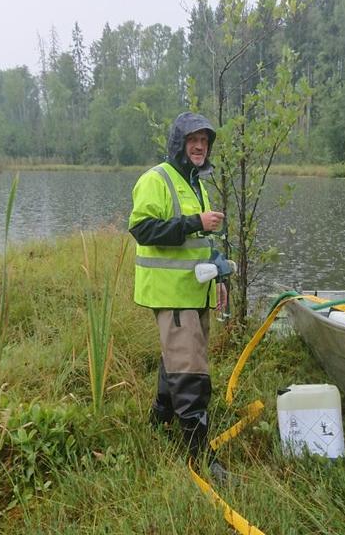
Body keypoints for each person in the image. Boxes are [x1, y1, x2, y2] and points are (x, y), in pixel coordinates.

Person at [128, 111, 229, 479]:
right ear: (179, 143)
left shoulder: (196, 184)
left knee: (177, 359)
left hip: (195, 291)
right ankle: (201, 457)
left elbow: (203, 242)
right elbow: (142, 229)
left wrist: (220, 276)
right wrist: (193, 222)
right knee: (191, 372)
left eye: (204, 140)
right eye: (193, 139)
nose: (200, 145)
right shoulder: (156, 179)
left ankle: (159, 421)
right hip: (172, 295)